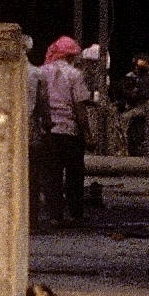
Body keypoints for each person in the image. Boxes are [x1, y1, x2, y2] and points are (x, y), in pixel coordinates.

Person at [33, 34, 92, 226]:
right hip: (70, 131)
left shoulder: (41, 72)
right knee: (74, 175)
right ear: (70, 56)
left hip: (48, 131)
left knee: (52, 175)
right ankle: (76, 214)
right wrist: (88, 134)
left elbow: (38, 102)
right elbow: (79, 108)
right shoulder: (75, 75)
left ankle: (55, 216)